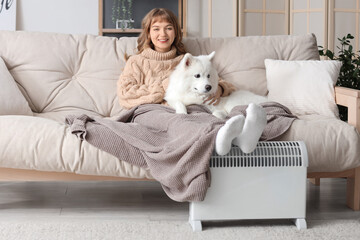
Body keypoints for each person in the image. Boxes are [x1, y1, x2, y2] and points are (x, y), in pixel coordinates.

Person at [117, 8, 266, 155]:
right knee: (180, 121)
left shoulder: (187, 61)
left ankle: (239, 137)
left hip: (191, 109)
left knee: (205, 115)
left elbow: (215, 80)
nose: (162, 34)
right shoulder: (136, 62)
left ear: (175, 32)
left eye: (168, 28)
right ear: (148, 33)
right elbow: (125, 94)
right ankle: (225, 137)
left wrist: (218, 88)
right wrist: (163, 87)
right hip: (154, 112)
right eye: (156, 29)